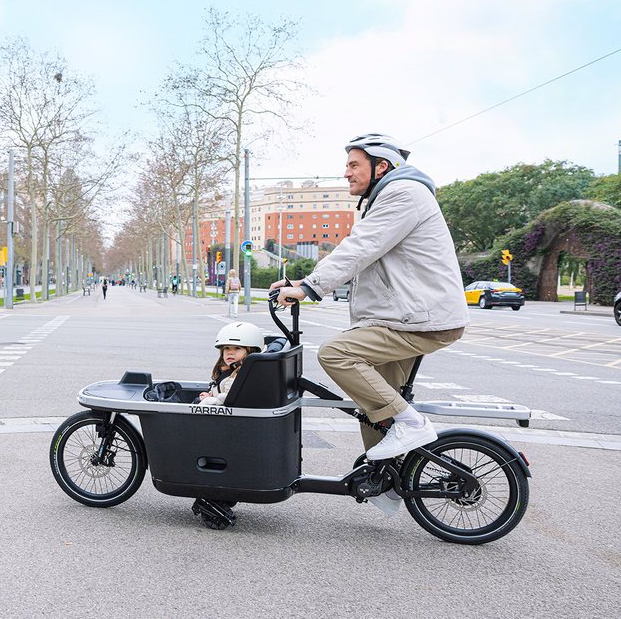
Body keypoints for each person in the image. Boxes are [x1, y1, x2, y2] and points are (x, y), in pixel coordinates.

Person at [269, 134, 469, 515]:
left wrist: (311, 287)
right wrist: (300, 283)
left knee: (336, 354)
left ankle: (412, 425)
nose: (346, 173)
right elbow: (361, 253)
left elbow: (359, 248)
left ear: (382, 167)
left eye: (353, 165)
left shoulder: (404, 193)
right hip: (406, 318)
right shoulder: (390, 198)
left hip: (419, 320)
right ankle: (386, 481)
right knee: (374, 408)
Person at [198, 322, 263, 405]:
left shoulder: (238, 377)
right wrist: (211, 393)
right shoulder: (232, 371)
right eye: (227, 348)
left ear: (250, 352)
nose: (230, 352)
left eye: (237, 348)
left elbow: (227, 399)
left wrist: (208, 400)